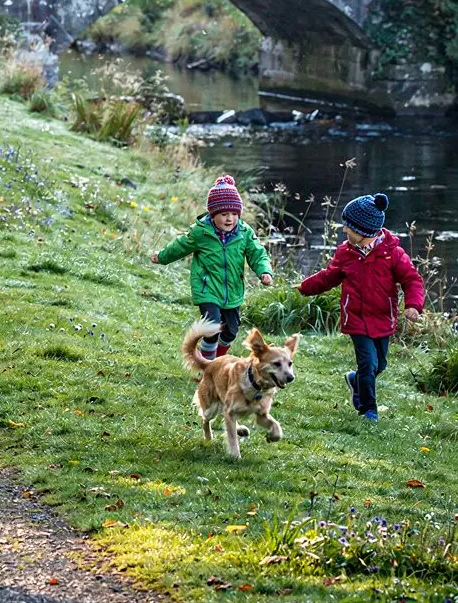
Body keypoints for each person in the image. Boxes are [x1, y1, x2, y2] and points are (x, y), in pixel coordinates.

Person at [297, 191, 424, 423]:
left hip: (383, 319)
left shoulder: (392, 254)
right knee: (369, 363)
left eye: (349, 227)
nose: (344, 230)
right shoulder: (346, 253)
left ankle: (355, 381)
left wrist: (413, 305)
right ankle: (369, 409)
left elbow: (412, 280)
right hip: (355, 319)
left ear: (364, 231)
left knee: (380, 364)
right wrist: (305, 287)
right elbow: (329, 277)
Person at [151, 174, 273, 360]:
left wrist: (264, 271)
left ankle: (216, 361)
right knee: (212, 327)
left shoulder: (244, 232)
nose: (229, 219)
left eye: (234, 214)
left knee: (230, 332)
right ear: (213, 214)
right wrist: (162, 257)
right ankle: (208, 367)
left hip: (232, 290)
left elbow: (257, 253)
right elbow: (180, 246)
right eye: (224, 214)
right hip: (207, 288)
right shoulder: (201, 232)